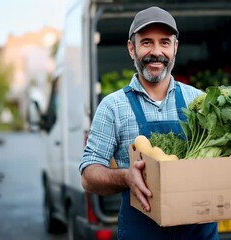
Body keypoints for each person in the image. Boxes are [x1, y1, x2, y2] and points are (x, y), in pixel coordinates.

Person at [79, 6, 219, 240]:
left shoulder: (199, 100)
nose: (156, 52)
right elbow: (89, 176)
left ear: (175, 48)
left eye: (164, 42)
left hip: (199, 232)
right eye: (146, 43)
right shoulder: (113, 106)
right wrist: (125, 177)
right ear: (131, 48)